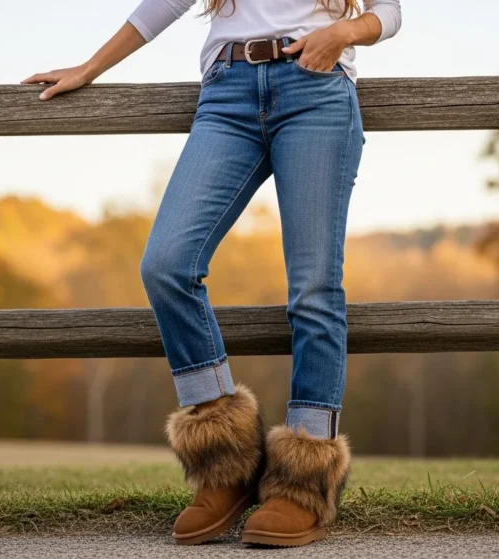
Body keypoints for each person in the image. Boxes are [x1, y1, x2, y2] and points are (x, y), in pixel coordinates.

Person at [23, 0, 401, 547]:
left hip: (316, 91)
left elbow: (388, 12)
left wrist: (344, 32)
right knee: (167, 264)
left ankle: (302, 484)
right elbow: (161, 7)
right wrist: (89, 68)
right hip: (228, 93)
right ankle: (226, 462)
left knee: (315, 289)